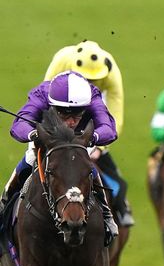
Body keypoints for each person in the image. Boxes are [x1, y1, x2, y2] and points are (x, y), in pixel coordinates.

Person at [3, 71, 119, 245]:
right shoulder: (41, 94)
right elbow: (19, 124)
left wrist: (91, 137)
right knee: (29, 160)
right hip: (46, 142)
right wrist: (34, 134)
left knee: (87, 165)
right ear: (52, 105)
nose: (71, 122)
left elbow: (109, 128)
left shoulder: (92, 96)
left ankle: (107, 215)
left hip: (79, 142)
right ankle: (4, 204)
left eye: (78, 115)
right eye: (64, 114)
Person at [45, 40, 133, 227]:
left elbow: (114, 115)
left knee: (116, 181)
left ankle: (118, 209)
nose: (89, 83)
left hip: (90, 110)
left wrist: (100, 147)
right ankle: (7, 199)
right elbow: (45, 100)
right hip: (60, 109)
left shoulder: (111, 72)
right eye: (86, 78)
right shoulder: (62, 60)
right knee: (29, 162)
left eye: (94, 80)